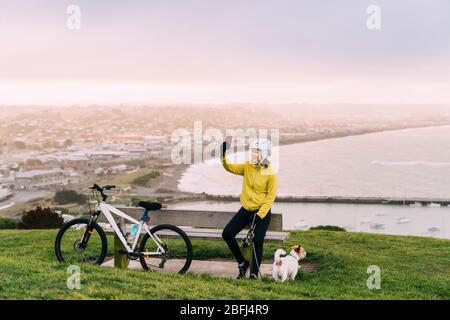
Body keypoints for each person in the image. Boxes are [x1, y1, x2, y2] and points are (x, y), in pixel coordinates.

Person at [220, 138, 278, 279]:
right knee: (227, 234)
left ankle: (253, 274)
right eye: (252, 151)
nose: (252, 153)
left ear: (263, 153)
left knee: (257, 241)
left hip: (261, 212)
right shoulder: (247, 166)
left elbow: (270, 197)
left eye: (256, 151)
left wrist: (259, 215)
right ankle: (242, 263)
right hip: (246, 209)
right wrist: (223, 156)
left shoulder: (271, 172)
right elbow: (230, 168)